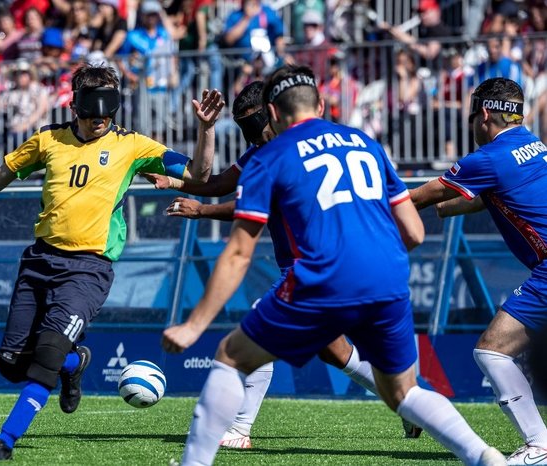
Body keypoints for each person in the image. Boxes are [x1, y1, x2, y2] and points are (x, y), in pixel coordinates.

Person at [161, 64, 506, 466]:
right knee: (403, 392)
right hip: (387, 273)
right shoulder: (365, 142)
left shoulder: (270, 156)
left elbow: (238, 253)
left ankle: (212, 449)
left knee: (232, 354)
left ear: (272, 113)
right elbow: (412, 231)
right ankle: (486, 457)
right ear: (322, 105)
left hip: (320, 275)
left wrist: (193, 324)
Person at [0, 64, 224, 461]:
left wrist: (206, 129)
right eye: (92, 114)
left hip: (89, 269)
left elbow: (199, 173)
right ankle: (75, 362)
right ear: (74, 105)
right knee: (11, 363)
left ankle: (3, 442)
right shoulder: (48, 140)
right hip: (40, 260)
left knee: (46, 356)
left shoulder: (132, 146)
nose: (100, 122)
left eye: (107, 114)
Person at [147, 79, 422, 447]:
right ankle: (412, 406)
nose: (253, 135)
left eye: (255, 122)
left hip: (316, 265)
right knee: (333, 349)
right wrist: (177, 181)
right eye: (245, 126)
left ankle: (240, 427)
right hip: (351, 265)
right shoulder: (277, 147)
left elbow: (250, 206)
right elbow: (220, 183)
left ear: (274, 112)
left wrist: (202, 211)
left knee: (254, 333)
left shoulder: (285, 151)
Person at [410, 77, 547, 466]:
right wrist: (444, 207)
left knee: (492, 350)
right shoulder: (534, 147)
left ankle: (539, 445)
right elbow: (483, 197)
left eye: (472, 117)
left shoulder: (487, 158)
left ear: (484, 114)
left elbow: (420, 197)